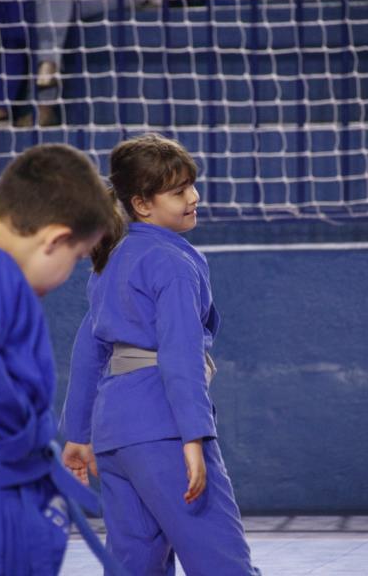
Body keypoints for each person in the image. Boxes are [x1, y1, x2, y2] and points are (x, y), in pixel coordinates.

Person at [60, 133, 262, 575]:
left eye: (192, 185)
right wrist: (193, 437)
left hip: (114, 437)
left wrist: (77, 434)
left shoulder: (112, 258)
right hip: (164, 431)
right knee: (221, 561)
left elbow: (89, 349)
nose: (194, 197)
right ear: (142, 204)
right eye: (178, 191)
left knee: (134, 566)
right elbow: (180, 354)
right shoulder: (172, 262)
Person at [0, 143, 125, 575]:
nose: (67, 275)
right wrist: (23, 436)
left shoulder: (2, 274)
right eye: (77, 258)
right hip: (0, 494)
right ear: (56, 239)